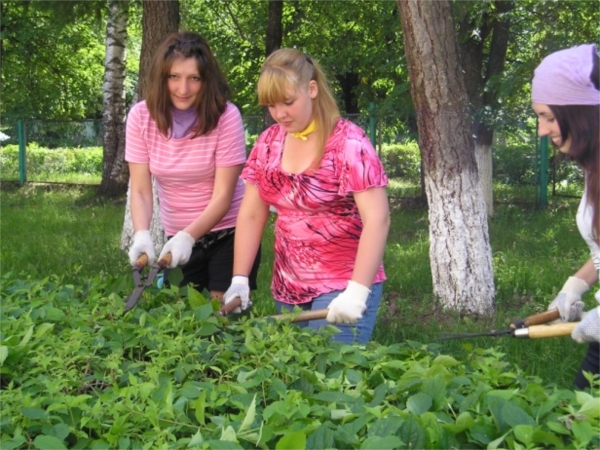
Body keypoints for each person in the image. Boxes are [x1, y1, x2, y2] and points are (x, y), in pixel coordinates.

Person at [223, 48, 390, 344]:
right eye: (271, 106)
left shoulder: (349, 143)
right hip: (287, 287)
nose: (280, 114)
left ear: (311, 89)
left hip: (344, 285)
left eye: (288, 102)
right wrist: (239, 278)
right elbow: (250, 214)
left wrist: (358, 291)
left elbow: (378, 220)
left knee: (332, 381)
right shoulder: (268, 143)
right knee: (294, 381)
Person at [125, 31, 260, 301]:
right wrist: (142, 233)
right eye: (174, 77)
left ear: (206, 80)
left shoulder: (226, 116)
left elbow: (223, 195)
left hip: (231, 234)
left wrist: (189, 236)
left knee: (221, 318)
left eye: (194, 79)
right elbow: (140, 190)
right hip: (177, 236)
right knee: (181, 315)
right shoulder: (141, 116)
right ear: (161, 77)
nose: (183, 89)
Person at [531, 43, 600, 389]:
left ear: (580, 112)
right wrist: (578, 283)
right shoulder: (595, 169)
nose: (543, 130)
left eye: (548, 116)